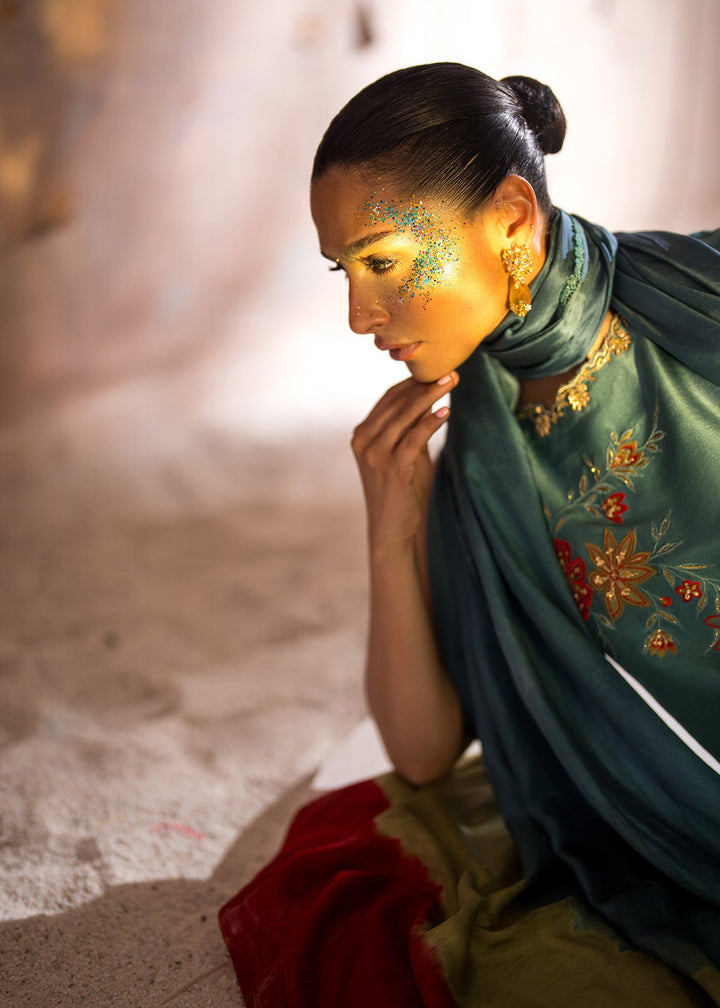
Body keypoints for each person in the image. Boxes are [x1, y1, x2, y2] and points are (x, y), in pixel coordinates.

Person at [219, 63, 720, 1006]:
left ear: (512, 219)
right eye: (343, 272)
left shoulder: (700, 306)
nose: (359, 316)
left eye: (383, 262)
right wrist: (389, 531)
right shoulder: (483, 450)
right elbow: (421, 754)